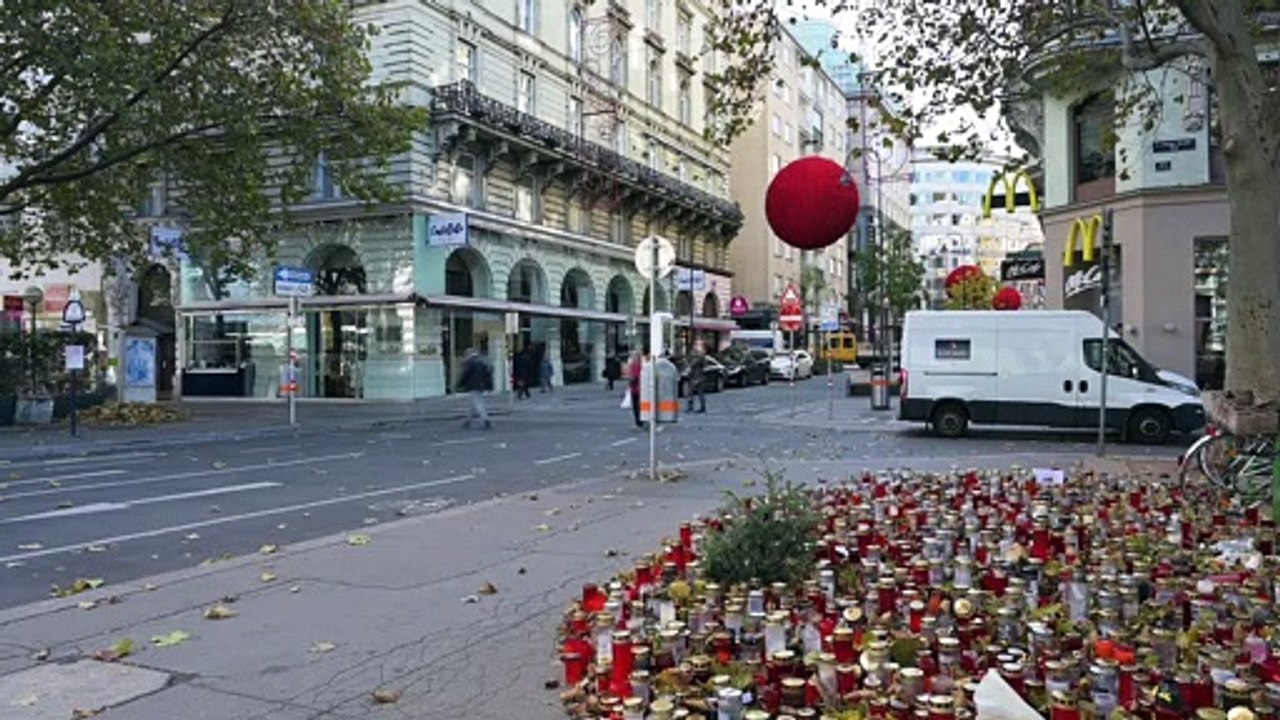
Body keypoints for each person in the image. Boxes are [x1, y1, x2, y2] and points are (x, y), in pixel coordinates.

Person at [458, 348, 493, 429]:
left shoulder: (470, 362)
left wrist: (460, 384)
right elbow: (487, 375)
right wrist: (489, 386)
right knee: (473, 404)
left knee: (478, 403)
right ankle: (468, 420)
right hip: (481, 385)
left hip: (473, 385)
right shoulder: (482, 362)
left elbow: (465, 374)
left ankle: (485, 419)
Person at [686, 341, 708, 414]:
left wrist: (689, 366)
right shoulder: (698, 355)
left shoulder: (700, 355)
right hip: (695, 376)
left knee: (693, 393)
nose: (695, 347)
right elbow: (689, 361)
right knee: (697, 393)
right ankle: (701, 407)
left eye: (697, 345)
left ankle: (695, 408)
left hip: (697, 376)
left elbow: (694, 363)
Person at [626, 350, 645, 429]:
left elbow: (636, 376)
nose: (633, 358)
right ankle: (639, 420)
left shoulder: (637, 366)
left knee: (637, 405)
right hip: (637, 388)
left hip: (637, 388)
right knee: (636, 405)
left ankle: (639, 421)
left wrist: (631, 380)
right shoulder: (637, 365)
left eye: (634, 356)